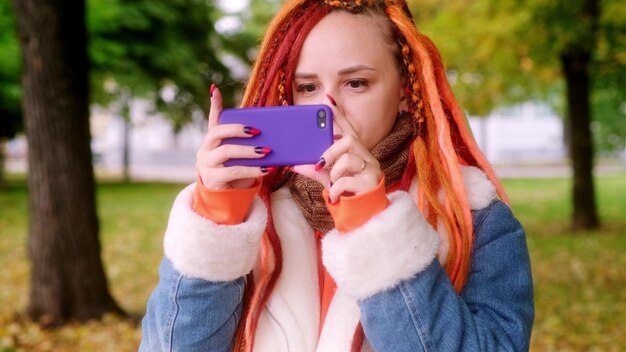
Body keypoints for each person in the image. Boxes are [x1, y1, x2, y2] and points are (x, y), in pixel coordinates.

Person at [140, 0, 534, 351]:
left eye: (356, 83)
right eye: (307, 86)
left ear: (404, 90)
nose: (328, 108)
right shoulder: (250, 214)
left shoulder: (474, 218)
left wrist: (375, 226)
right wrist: (217, 221)